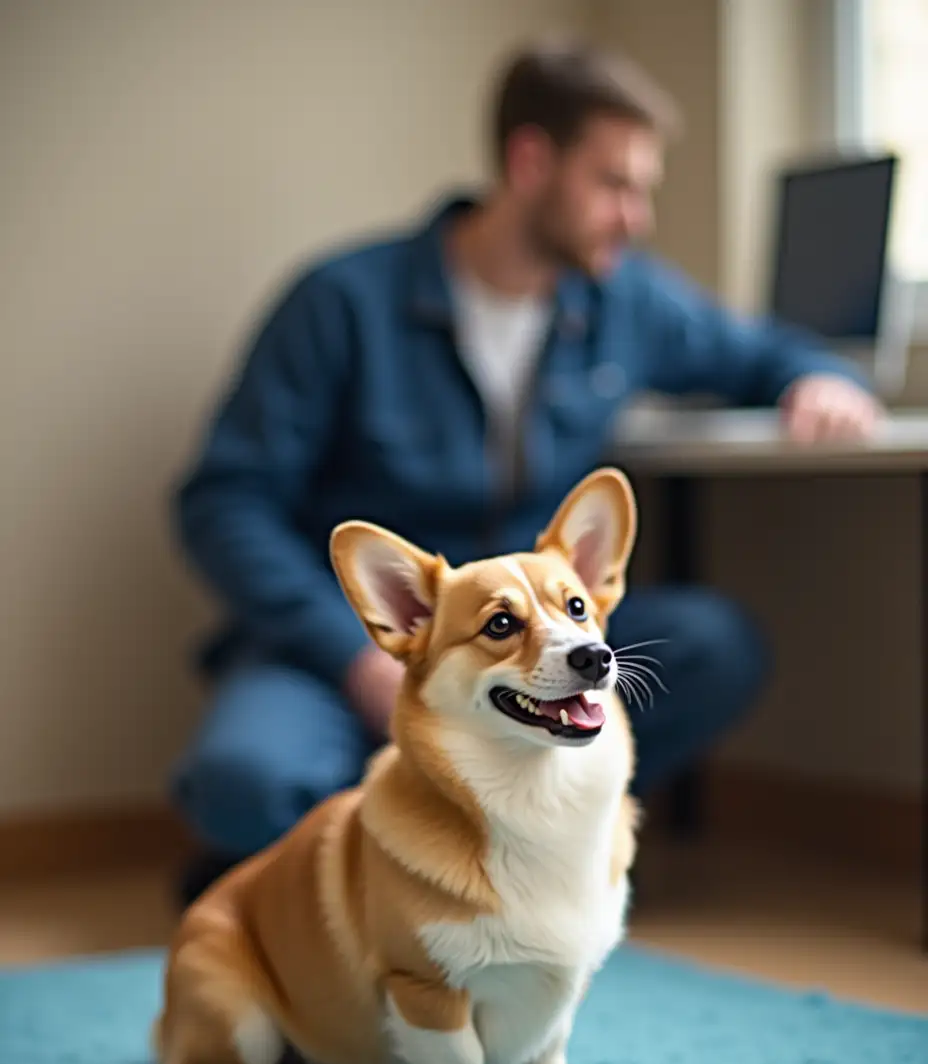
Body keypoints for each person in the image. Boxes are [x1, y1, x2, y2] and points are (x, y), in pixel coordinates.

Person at [169, 39, 881, 903]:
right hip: (349, 650)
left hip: (533, 653)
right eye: (615, 184)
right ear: (531, 161)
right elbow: (224, 502)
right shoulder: (342, 303)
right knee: (246, 784)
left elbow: (762, 351)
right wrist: (351, 657)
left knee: (715, 644)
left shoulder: (623, 298)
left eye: (642, 188)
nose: (637, 216)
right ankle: (341, 851)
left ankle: (531, 842)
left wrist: (820, 378)